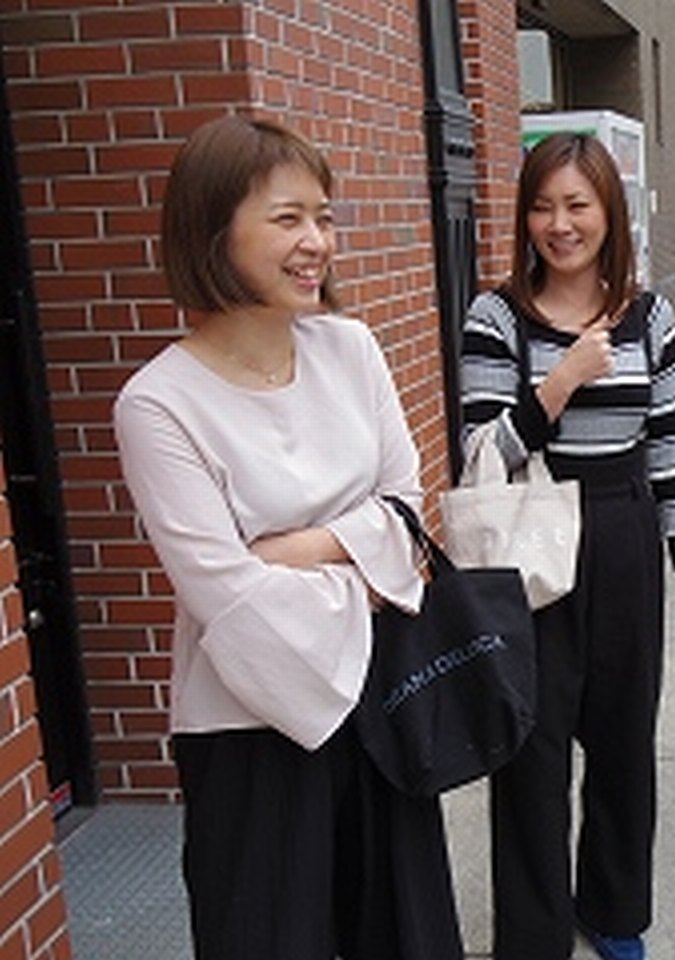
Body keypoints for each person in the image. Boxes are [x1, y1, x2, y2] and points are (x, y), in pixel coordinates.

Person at [112, 115, 463, 960]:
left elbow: (408, 515)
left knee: (407, 936)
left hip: (386, 700)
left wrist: (286, 552)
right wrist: (360, 556)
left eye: (325, 216)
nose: (318, 242)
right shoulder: (158, 404)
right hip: (246, 729)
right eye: (287, 218)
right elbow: (227, 602)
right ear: (211, 228)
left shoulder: (352, 347)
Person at [459, 132, 675, 960]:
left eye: (577, 204)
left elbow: (671, 444)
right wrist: (561, 381)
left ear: (609, 210)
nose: (559, 224)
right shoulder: (496, 315)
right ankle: (532, 937)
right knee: (529, 749)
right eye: (542, 205)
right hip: (531, 537)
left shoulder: (651, 315)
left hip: (622, 531)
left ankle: (612, 911)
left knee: (621, 741)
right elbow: (479, 454)